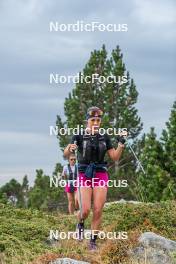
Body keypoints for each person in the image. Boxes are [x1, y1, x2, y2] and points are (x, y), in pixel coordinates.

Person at [64, 106, 127, 250]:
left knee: (98, 209)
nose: (96, 122)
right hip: (84, 173)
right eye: (93, 120)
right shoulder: (78, 135)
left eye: (98, 120)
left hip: (100, 173)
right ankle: (80, 224)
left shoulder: (104, 137)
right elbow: (66, 153)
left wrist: (121, 143)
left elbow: (115, 157)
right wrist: (70, 148)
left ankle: (92, 242)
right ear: (87, 121)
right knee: (85, 210)